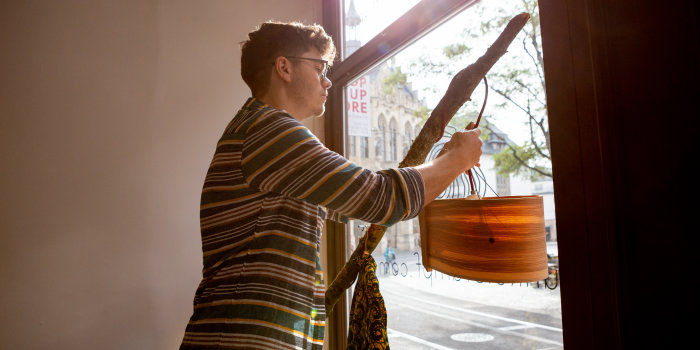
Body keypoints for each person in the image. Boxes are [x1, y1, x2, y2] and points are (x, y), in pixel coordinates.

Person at [180, 21, 482, 349]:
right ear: (284, 67)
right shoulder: (268, 130)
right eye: (319, 67)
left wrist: (437, 171)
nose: (327, 80)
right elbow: (381, 198)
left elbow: (355, 201)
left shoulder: (257, 133)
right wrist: (456, 161)